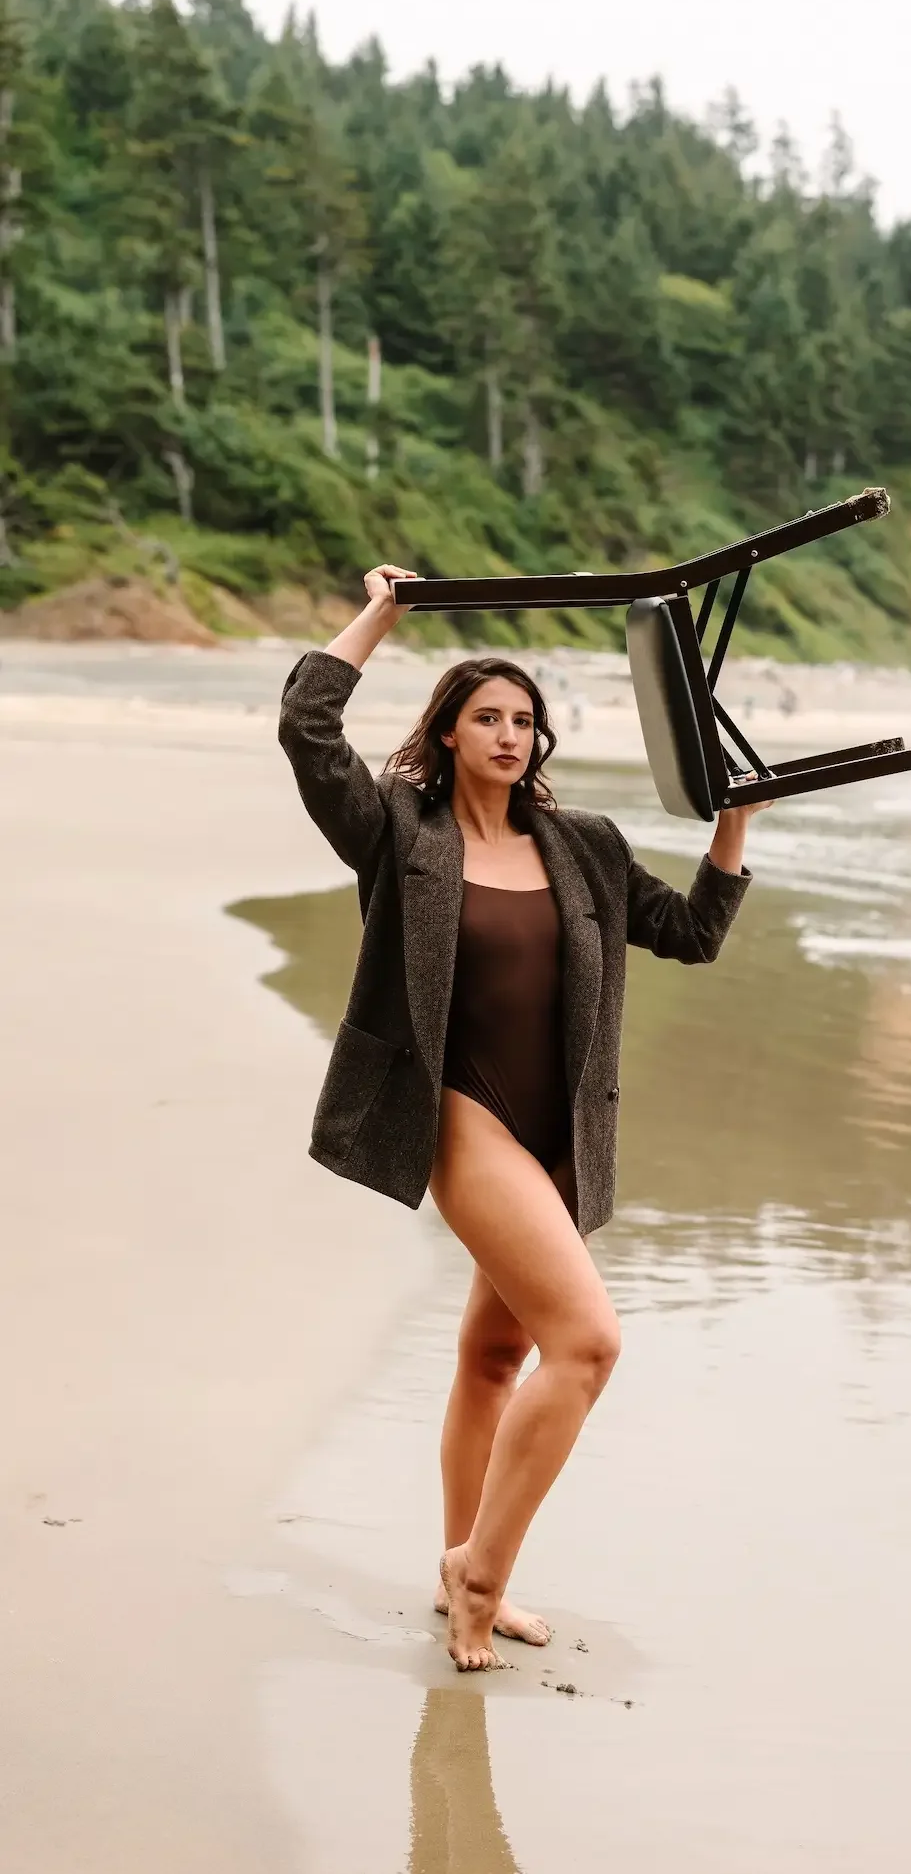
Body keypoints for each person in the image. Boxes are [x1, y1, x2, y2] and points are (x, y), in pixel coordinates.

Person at [278, 564, 773, 1670]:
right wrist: (386, 611)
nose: (511, 734)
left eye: (525, 720)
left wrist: (733, 825)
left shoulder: (581, 844)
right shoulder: (400, 836)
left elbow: (691, 932)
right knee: (588, 1344)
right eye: (488, 718)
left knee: (496, 1358)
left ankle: (463, 1559)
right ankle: (481, 1572)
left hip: (561, 1133)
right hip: (463, 1118)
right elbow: (306, 725)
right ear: (447, 734)